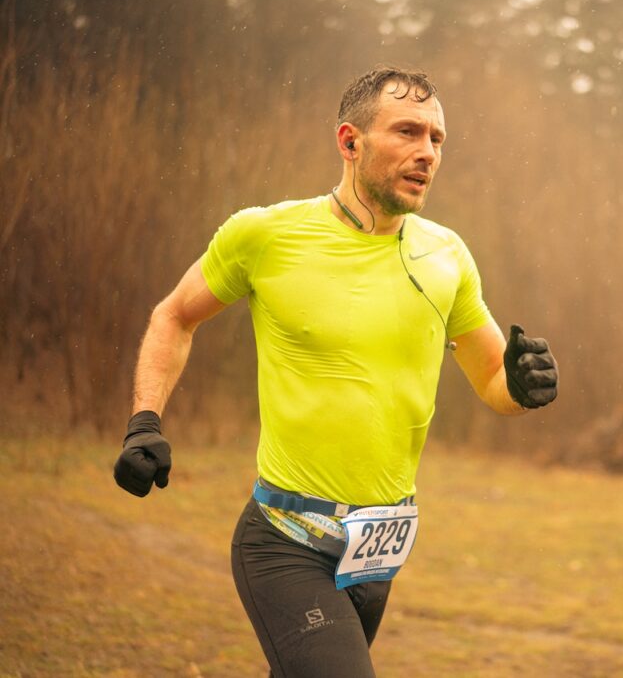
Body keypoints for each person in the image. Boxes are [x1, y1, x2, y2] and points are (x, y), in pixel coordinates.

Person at [112, 66, 558, 677]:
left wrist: (525, 388)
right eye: (407, 132)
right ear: (350, 142)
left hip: (375, 554)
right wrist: (144, 420)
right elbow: (174, 316)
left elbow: (491, 382)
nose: (427, 152)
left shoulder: (447, 255)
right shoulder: (264, 235)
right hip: (284, 540)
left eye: (436, 139)